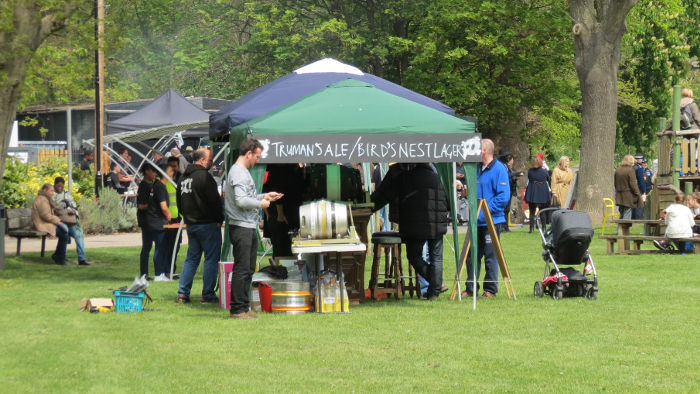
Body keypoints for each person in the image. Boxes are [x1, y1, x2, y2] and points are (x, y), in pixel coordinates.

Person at [372, 163, 449, 300]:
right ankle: (434, 292)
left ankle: (436, 285)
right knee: (436, 257)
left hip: (415, 222)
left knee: (414, 256)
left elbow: (385, 194)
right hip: (437, 220)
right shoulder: (436, 173)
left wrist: (370, 206)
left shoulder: (402, 174)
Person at [225, 139, 282, 319]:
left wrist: (265, 195)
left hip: (248, 226)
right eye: (257, 156)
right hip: (241, 226)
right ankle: (237, 309)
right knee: (242, 268)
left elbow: (247, 196)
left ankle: (244, 307)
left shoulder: (243, 173)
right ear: (248, 154)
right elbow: (242, 201)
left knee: (249, 268)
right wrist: (260, 203)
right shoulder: (238, 173)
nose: (258, 160)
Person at [460, 139, 510, 298]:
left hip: (492, 221)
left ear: (484, 150)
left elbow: (503, 197)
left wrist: (484, 211)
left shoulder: (499, 169)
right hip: (476, 221)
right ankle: (470, 288)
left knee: (490, 255)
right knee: (471, 256)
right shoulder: (476, 169)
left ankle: (490, 289)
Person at [176, 148, 224, 304]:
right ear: (202, 160)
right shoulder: (204, 177)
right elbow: (214, 201)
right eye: (210, 160)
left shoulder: (183, 178)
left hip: (191, 224)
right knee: (211, 259)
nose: (212, 163)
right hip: (208, 224)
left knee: (191, 259)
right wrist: (219, 218)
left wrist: (187, 217)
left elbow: (179, 203)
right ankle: (208, 294)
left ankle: (183, 293)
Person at [137, 163, 171, 281]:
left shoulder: (153, 185)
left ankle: (149, 273)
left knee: (154, 246)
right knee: (147, 247)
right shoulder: (144, 186)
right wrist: (152, 205)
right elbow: (141, 206)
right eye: (153, 171)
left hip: (151, 220)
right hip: (146, 221)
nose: (155, 174)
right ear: (146, 171)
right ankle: (144, 274)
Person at [52, 177, 90, 265]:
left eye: (62, 186)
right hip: (58, 221)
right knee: (65, 231)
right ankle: (61, 257)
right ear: (54, 185)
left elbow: (74, 206)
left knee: (79, 235)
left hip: (69, 219)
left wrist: (73, 211)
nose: (60, 188)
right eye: (58, 186)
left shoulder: (67, 194)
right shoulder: (51, 195)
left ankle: (82, 259)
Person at [32, 183, 70, 265]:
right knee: (64, 233)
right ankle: (60, 258)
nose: (52, 193)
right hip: (41, 224)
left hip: (46, 223)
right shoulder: (42, 199)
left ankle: (59, 256)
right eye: (51, 191)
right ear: (45, 190)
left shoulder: (46, 198)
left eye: (53, 191)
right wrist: (58, 221)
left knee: (65, 232)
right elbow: (45, 215)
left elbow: (50, 212)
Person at [159, 164, 181, 277]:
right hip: (167, 220)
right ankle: (166, 270)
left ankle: (171, 269)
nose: (173, 173)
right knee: (167, 246)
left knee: (175, 245)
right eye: (170, 171)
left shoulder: (172, 183)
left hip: (176, 219)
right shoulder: (161, 184)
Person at [524, 156, 551, 233]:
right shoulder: (544, 171)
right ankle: (544, 228)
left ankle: (531, 229)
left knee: (532, 211)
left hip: (533, 191)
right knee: (542, 211)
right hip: (542, 192)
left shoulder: (530, 171)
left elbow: (529, 178)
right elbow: (548, 179)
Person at [614, 154, 641, 221]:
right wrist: (637, 193)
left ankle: (619, 231)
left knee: (621, 215)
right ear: (631, 161)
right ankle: (624, 231)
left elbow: (615, 184)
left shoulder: (617, 170)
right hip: (628, 196)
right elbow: (633, 184)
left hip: (619, 196)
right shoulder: (630, 170)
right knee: (627, 216)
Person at [632, 154, 646, 219]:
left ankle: (633, 217)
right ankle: (639, 218)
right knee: (639, 204)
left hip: (632, 188)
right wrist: (644, 191)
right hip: (638, 188)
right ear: (640, 160)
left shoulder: (632, 167)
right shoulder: (639, 168)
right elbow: (641, 180)